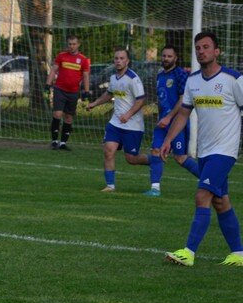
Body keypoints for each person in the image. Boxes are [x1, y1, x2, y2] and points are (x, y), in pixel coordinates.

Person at [162, 31, 243, 267]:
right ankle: (238, 253)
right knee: (221, 202)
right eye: (198, 48)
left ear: (217, 51)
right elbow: (183, 113)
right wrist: (168, 139)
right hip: (205, 151)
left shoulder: (233, 79)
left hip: (225, 151)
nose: (201, 51)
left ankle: (188, 252)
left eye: (206, 47)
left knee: (202, 195)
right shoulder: (193, 81)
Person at [86, 48, 148, 192]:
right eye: (116, 58)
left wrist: (128, 114)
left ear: (127, 61)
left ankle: (155, 161)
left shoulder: (133, 79)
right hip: (115, 123)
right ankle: (110, 186)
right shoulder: (114, 78)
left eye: (121, 58)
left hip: (132, 125)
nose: (118, 61)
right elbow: (109, 94)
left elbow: (141, 100)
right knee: (108, 150)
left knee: (131, 159)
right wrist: (95, 103)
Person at [145, 44, 199, 196]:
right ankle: (155, 189)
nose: (166, 59)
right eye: (164, 56)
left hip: (177, 123)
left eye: (169, 56)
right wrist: (161, 116)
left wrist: (169, 117)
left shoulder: (180, 74)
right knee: (156, 151)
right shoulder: (160, 75)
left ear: (176, 58)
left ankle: (210, 181)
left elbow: (183, 99)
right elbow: (162, 99)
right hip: (163, 122)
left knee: (180, 157)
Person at [45, 35, 91, 150]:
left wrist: (86, 92)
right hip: (59, 89)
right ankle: (54, 141)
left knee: (69, 117)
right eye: (70, 44)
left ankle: (63, 143)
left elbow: (86, 76)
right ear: (67, 44)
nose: (71, 46)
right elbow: (53, 70)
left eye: (74, 44)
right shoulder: (61, 56)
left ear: (78, 44)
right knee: (57, 114)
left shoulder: (83, 60)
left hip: (73, 92)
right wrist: (47, 85)